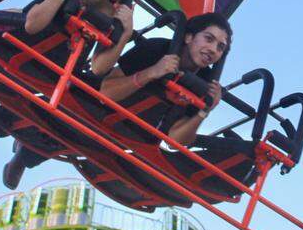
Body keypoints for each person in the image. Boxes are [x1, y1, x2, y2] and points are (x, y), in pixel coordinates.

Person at [0, 0, 136, 188]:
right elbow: (31, 24)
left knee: (66, 113)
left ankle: (23, 158)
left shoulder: (112, 14)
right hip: (26, 46)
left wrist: (125, 33)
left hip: (59, 68)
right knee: (22, 94)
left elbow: (99, 67)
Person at [99, 13, 231, 146]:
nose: (213, 50)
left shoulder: (205, 83)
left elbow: (176, 140)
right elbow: (105, 92)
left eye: (220, 47)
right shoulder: (156, 48)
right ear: (188, 37)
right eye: (209, 39)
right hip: (101, 114)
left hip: (141, 140)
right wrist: (152, 72)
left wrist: (205, 110)